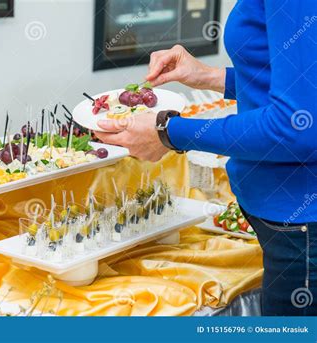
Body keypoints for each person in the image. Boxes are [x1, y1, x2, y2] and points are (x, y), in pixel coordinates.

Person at [95, 1, 317, 316]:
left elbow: (295, 126)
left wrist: (169, 132)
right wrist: (208, 76)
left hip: (302, 222)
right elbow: (297, 88)